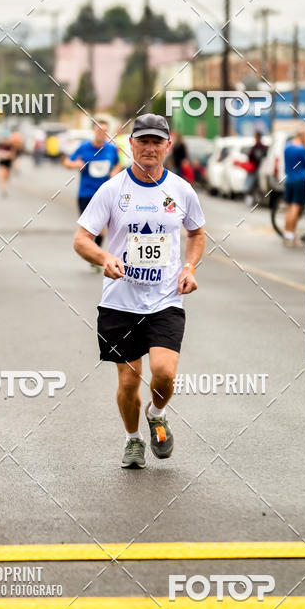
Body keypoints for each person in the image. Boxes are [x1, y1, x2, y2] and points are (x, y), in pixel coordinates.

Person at [73, 113, 206, 469]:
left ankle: (157, 413)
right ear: (131, 145)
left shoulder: (180, 190)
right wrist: (103, 257)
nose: (149, 148)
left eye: (155, 142)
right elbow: (82, 239)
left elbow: (196, 234)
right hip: (120, 302)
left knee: (164, 373)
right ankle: (133, 440)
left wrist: (189, 267)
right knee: (129, 381)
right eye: (142, 141)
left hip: (165, 300)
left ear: (167, 146)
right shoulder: (113, 190)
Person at [64, 120, 120, 264]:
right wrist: (76, 164)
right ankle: (94, 256)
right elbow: (67, 162)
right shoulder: (84, 147)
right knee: (89, 230)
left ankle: (96, 259)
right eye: (99, 130)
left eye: (105, 130)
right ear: (94, 131)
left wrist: (114, 172)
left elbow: (118, 164)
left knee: (101, 229)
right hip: (86, 193)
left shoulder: (111, 149)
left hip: (104, 195)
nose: (102, 133)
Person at [283, 127, 305, 247]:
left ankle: (287, 233)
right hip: (301, 180)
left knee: (289, 207)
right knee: (296, 207)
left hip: (289, 179)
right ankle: (291, 235)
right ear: (302, 136)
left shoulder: (287, 147)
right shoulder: (302, 150)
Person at [245, 130, 268, 205]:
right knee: (256, 185)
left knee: (252, 184)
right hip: (259, 168)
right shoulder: (263, 147)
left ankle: (252, 200)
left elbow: (251, 156)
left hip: (256, 168)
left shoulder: (257, 147)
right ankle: (255, 199)